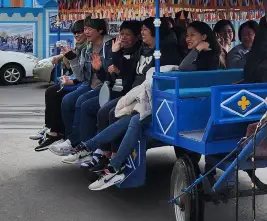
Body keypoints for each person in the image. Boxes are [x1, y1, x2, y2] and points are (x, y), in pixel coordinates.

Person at [61, 18, 182, 167]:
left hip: (142, 97)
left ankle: (109, 155)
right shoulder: (137, 50)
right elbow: (114, 77)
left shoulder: (161, 53)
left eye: (144, 30)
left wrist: (116, 62)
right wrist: (104, 66)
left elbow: (128, 77)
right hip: (127, 92)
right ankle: (94, 150)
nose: (122, 37)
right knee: (90, 105)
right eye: (121, 34)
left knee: (110, 112)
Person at [49, 18, 113, 156]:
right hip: (89, 84)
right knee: (65, 99)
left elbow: (110, 74)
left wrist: (100, 67)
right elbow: (80, 76)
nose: (85, 32)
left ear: (100, 30)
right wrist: (71, 58)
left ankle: (77, 142)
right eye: (85, 29)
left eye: (89, 29)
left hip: (105, 86)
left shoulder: (109, 46)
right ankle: (68, 138)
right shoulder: (87, 49)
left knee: (82, 102)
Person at [32, 20, 88, 150]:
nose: (77, 35)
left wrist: (73, 79)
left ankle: (62, 133)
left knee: (61, 95)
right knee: (52, 91)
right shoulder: (80, 46)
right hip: (79, 79)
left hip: (85, 82)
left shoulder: (88, 47)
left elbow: (82, 71)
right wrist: (63, 57)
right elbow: (74, 65)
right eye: (75, 32)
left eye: (80, 32)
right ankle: (51, 128)